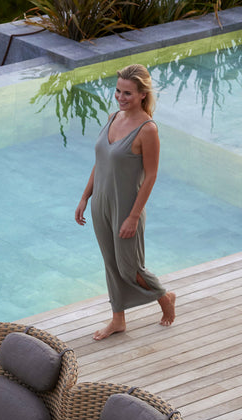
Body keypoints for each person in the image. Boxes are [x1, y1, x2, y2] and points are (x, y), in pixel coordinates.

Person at [75, 63, 176, 341]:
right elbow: (101, 162)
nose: (120, 97)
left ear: (143, 94)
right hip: (102, 204)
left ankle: (164, 297)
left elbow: (151, 176)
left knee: (129, 267)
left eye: (128, 93)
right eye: (118, 91)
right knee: (110, 263)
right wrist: (85, 197)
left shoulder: (147, 129)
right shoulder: (112, 118)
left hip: (126, 207)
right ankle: (118, 320)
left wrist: (133, 216)